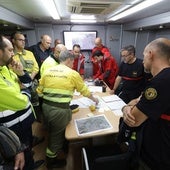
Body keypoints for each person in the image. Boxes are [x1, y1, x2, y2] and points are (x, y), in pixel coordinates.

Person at [37, 50, 99, 169]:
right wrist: (94, 99)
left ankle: (60, 147)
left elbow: (39, 91)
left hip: (46, 107)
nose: (73, 64)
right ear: (69, 60)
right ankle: (51, 161)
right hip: (59, 110)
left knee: (52, 130)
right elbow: (84, 90)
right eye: (73, 62)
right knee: (56, 137)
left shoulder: (47, 71)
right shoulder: (72, 73)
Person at [122, 38, 170, 170]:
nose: (142, 60)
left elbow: (134, 119)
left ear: (150, 54)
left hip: (158, 153)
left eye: (143, 55)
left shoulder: (160, 82)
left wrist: (126, 107)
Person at [0, 35, 44, 169]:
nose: (13, 54)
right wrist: (26, 92)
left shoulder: (5, 69)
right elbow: (22, 102)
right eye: (10, 50)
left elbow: (27, 82)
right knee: (20, 161)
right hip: (13, 129)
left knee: (27, 151)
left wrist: (20, 74)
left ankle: (31, 163)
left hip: (24, 123)